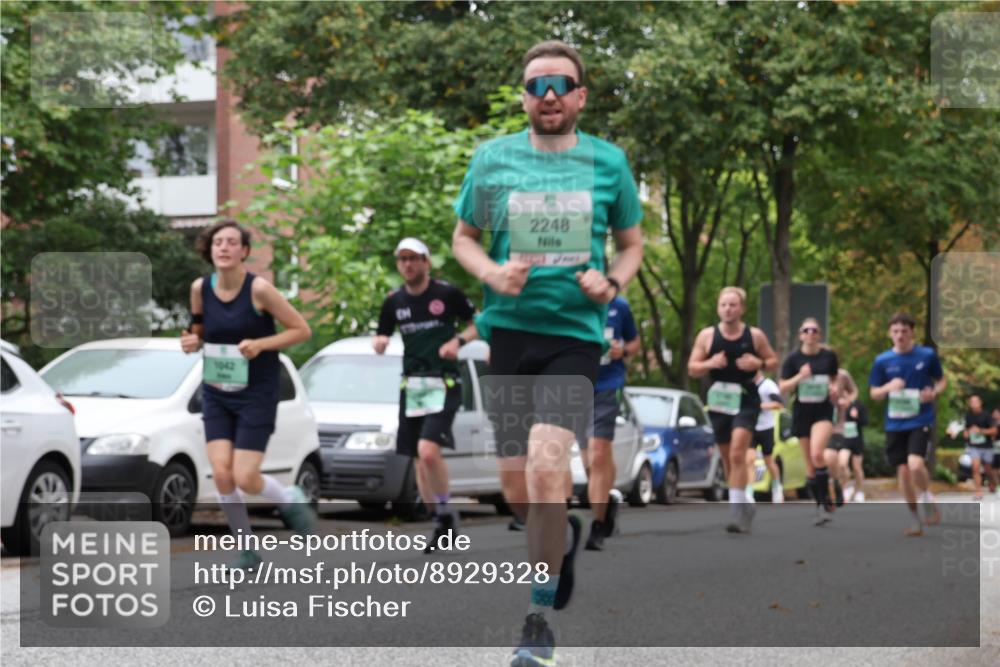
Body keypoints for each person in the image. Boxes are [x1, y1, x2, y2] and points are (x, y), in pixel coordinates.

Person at [451, 40, 644, 667]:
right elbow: (464, 239)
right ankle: (562, 534)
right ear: (525, 97)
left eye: (562, 84)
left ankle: (536, 621)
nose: (550, 94)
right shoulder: (493, 160)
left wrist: (610, 282)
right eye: (538, 86)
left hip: (574, 338)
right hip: (508, 332)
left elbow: (631, 245)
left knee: (545, 464)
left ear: (581, 96)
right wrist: (492, 273)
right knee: (517, 487)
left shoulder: (609, 164)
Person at [180, 220, 314, 570]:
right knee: (221, 473)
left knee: (245, 477)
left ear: (244, 251)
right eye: (217, 242)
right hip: (217, 391)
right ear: (209, 250)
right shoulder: (200, 288)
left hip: (257, 392)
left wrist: (261, 344)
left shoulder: (260, 291)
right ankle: (247, 550)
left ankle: (288, 498)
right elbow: (198, 333)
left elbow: (301, 330)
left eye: (231, 243)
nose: (223, 248)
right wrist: (191, 341)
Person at [374, 237, 478, 552]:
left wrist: (457, 342)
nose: (407, 264)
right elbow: (382, 331)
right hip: (414, 386)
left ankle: (444, 514)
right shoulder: (394, 301)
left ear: (426, 262)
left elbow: (478, 324)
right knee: (420, 462)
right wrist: (379, 342)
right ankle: (440, 518)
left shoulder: (446, 294)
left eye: (413, 258)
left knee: (429, 450)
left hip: (444, 382)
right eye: (402, 259)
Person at [688, 286, 778, 534]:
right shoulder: (707, 336)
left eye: (733, 304)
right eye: (723, 305)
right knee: (728, 459)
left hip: (746, 397)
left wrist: (757, 362)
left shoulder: (754, 336)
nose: (728, 309)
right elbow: (692, 368)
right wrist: (710, 363)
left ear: (742, 308)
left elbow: (773, 361)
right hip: (719, 400)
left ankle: (736, 513)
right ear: (718, 308)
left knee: (739, 453)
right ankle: (744, 504)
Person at [869, 312, 945, 537]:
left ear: (912, 332)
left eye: (904, 331)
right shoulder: (882, 361)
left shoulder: (926, 355)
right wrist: (888, 387)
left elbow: (941, 381)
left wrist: (934, 392)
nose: (900, 335)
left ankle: (926, 495)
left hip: (920, 418)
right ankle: (914, 519)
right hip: (895, 423)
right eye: (895, 331)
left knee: (915, 465)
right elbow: (874, 393)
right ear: (890, 334)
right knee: (903, 473)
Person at [581, 294, 640, 551]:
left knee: (598, 454)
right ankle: (609, 499)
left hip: (607, 384)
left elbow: (635, 342)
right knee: (590, 463)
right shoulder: (567, 299)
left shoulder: (619, 305)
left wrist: (623, 350)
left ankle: (597, 525)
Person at [779, 318, 840, 526]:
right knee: (810, 467)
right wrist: (800, 377)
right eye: (806, 330)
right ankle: (821, 505)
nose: (811, 333)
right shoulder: (793, 359)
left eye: (815, 330)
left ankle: (824, 501)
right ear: (801, 335)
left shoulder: (828, 356)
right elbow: (782, 387)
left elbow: (835, 378)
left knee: (817, 453)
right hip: (802, 412)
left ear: (819, 335)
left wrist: (834, 389)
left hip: (823, 411)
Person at [827, 369, 869, 503]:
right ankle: (845, 487)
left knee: (857, 467)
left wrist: (855, 416)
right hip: (842, 438)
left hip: (855, 439)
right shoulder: (834, 406)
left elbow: (865, 422)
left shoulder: (857, 406)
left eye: (846, 395)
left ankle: (859, 490)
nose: (843, 398)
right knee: (842, 464)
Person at [744, 370, 784, 504]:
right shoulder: (746, 385)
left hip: (766, 427)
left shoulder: (768, 385)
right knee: (750, 460)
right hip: (751, 427)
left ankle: (777, 486)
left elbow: (779, 404)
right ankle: (749, 493)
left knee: (768, 460)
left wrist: (761, 406)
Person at [962, 394, 998, 500]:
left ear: (980, 402)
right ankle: (978, 491)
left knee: (988, 469)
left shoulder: (987, 415)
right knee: (975, 468)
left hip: (986, 446)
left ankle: (992, 484)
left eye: (975, 401)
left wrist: (981, 431)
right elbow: (966, 430)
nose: (973, 403)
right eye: (971, 402)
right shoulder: (968, 416)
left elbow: (994, 431)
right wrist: (967, 433)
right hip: (974, 446)